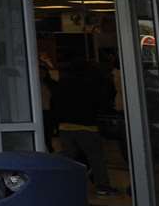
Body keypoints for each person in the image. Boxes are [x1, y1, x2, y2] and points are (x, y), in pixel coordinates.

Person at [48, 55, 117, 196]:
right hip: (87, 126)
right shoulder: (93, 82)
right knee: (96, 158)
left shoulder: (63, 83)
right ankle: (102, 186)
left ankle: (65, 185)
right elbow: (102, 102)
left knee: (68, 159)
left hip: (65, 126)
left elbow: (54, 103)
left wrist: (56, 122)